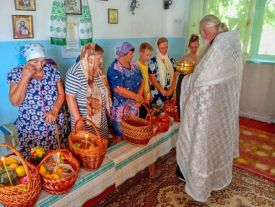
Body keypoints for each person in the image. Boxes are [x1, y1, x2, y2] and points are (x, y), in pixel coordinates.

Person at [176, 15, 243, 202]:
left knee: (201, 140)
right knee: (212, 140)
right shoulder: (229, 43)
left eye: (202, 32)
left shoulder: (218, 47)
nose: (201, 35)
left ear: (206, 31)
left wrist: (186, 80)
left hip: (209, 108)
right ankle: (210, 176)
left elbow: (202, 79)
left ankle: (199, 182)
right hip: (220, 107)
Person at [7, 44, 67, 160]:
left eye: (42, 61)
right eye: (34, 62)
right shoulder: (16, 73)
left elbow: (61, 94)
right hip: (31, 127)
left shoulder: (52, 71)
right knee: (35, 159)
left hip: (54, 122)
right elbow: (15, 102)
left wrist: (54, 111)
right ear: (27, 61)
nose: (40, 65)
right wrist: (25, 77)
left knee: (56, 158)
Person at [65, 43, 112, 139]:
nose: (102, 61)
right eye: (98, 58)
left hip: (100, 117)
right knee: (87, 147)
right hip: (83, 119)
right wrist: (78, 120)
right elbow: (70, 98)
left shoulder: (98, 70)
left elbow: (104, 89)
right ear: (89, 58)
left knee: (100, 143)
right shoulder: (75, 73)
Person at [107, 42, 144, 143]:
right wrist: (136, 96)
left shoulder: (134, 65)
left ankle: (131, 156)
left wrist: (139, 96)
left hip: (134, 105)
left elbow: (142, 80)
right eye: (130, 54)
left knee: (132, 131)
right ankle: (119, 157)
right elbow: (118, 89)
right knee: (119, 133)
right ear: (123, 54)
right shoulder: (115, 67)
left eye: (132, 54)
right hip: (120, 108)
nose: (132, 56)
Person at [149, 37, 177, 108]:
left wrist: (171, 89)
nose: (164, 50)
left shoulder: (172, 60)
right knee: (157, 114)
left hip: (169, 92)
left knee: (169, 113)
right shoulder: (153, 61)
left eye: (166, 47)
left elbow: (175, 76)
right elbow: (152, 79)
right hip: (157, 93)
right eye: (161, 48)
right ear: (157, 48)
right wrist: (162, 90)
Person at [176, 34, 200, 117]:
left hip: (195, 83)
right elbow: (179, 71)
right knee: (183, 101)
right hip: (185, 83)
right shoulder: (185, 58)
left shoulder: (200, 58)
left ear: (198, 46)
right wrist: (178, 72)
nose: (193, 49)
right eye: (192, 47)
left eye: (195, 47)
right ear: (189, 47)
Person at [136, 42, 153, 118]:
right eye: (147, 55)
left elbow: (147, 80)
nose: (149, 57)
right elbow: (139, 84)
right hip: (142, 98)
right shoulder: (136, 66)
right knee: (142, 118)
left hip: (148, 96)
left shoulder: (146, 65)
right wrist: (144, 98)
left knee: (147, 116)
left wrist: (150, 95)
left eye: (150, 55)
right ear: (140, 53)